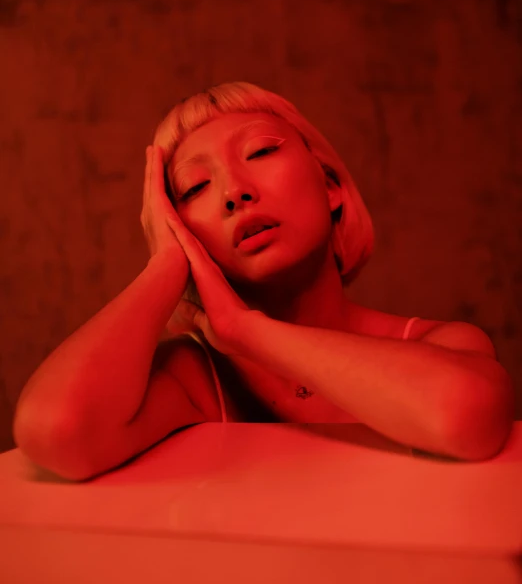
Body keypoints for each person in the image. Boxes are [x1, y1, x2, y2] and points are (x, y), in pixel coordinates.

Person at [13, 82, 515, 481]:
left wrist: (250, 331)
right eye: (195, 187)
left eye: (259, 152)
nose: (234, 192)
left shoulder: (441, 345)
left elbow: (463, 416)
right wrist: (164, 265)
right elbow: (56, 431)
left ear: (332, 186)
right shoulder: (196, 382)